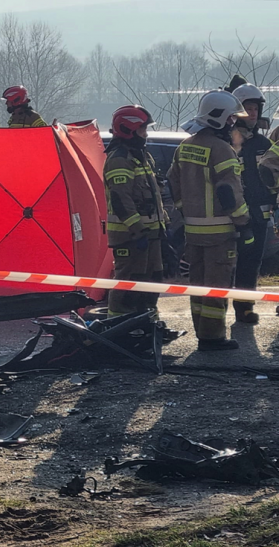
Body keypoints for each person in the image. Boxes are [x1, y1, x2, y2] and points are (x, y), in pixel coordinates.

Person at [167, 90, 253, 351]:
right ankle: (213, 337)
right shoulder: (222, 149)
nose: (232, 125)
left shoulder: (186, 145)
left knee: (198, 284)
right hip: (220, 235)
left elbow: (172, 182)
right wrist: (244, 224)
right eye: (230, 120)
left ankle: (202, 333)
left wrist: (186, 211)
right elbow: (230, 192)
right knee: (217, 286)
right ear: (219, 118)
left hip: (193, 232)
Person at [103, 105, 166, 319]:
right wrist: (137, 230)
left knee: (153, 278)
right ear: (128, 129)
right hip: (130, 235)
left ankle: (147, 320)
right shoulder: (120, 158)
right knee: (129, 279)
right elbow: (121, 200)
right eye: (142, 130)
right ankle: (118, 321)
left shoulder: (141, 156)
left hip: (150, 233)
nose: (145, 135)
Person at [228, 81, 274, 323]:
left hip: (259, 213)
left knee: (252, 260)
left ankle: (244, 307)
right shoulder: (226, 142)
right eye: (248, 108)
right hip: (230, 213)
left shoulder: (263, 144)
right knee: (227, 262)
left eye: (256, 108)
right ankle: (215, 311)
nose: (253, 113)